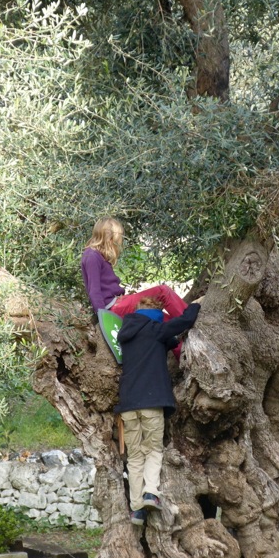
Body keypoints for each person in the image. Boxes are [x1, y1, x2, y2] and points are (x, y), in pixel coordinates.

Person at [115, 297, 201, 526]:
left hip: (128, 404)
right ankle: (151, 493)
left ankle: (136, 510)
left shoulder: (125, 334)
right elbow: (185, 321)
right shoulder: (155, 329)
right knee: (153, 449)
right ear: (155, 315)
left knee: (134, 457)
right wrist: (196, 304)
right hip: (151, 401)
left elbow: (168, 340)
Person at [81, 217, 189, 359]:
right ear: (108, 236)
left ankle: (182, 355)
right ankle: (191, 320)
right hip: (113, 307)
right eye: (117, 237)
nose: (118, 242)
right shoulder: (92, 256)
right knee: (163, 291)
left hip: (118, 303)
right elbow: (94, 291)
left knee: (164, 319)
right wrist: (104, 320)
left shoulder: (98, 256)